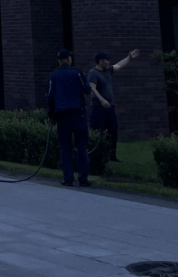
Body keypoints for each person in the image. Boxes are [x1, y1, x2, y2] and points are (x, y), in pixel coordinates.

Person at [47, 49, 91, 187]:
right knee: (81, 147)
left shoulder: (54, 76)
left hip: (62, 116)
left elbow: (50, 97)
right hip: (78, 114)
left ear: (59, 61)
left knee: (65, 148)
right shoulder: (77, 72)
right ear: (68, 59)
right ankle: (83, 179)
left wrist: (51, 116)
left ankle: (68, 179)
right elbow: (87, 89)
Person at [88, 49, 140, 162]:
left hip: (110, 107)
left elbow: (119, 65)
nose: (108, 62)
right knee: (98, 131)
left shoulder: (108, 70)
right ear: (100, 61)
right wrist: (102, 100)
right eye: (106, 60)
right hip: (98, 108)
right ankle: (98, 156)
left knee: (112, 130)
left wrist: (129, 57)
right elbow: (92, 89)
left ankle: (112, 155)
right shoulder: (93, 73)